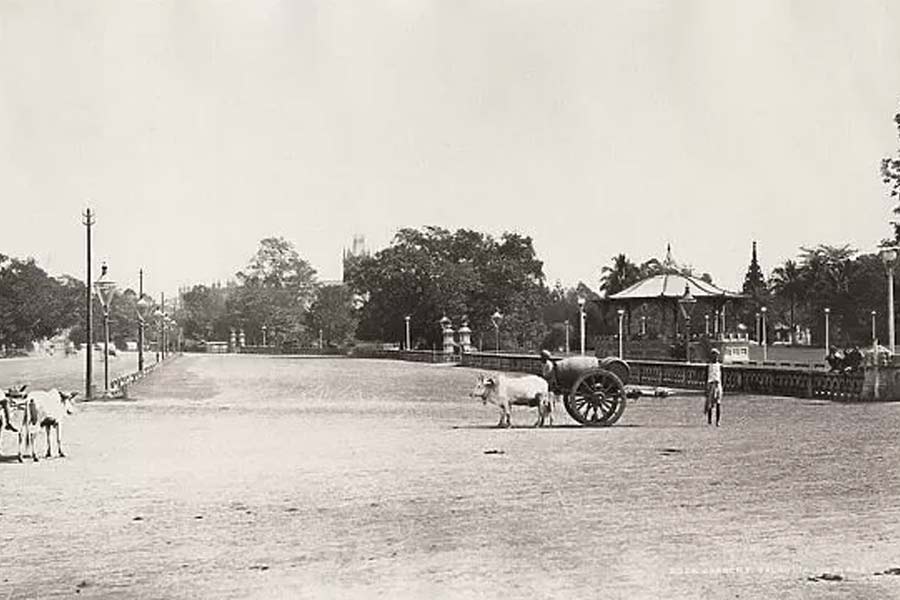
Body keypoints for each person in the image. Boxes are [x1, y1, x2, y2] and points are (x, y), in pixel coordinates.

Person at [704, 348, 723, 426]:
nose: (715, 357)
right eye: (714, 355)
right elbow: (706, 376)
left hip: (718, 384)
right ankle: (709, 420)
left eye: (716, 355)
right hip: (710, 384)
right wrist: (706, 387)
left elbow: (722, 376)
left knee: (718, 403)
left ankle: (718, 421)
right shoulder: (708, 366)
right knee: (710, 403)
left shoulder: (720, 366)